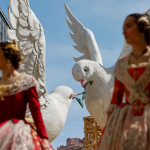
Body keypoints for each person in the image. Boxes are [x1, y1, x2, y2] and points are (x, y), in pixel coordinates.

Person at [97, 13, 150, 150]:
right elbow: (116, 98)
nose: (124, 31)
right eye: (123, 27)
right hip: (125, 120)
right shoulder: (121, 64)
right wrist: (110, 129)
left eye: (128, 26)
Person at [0, 40, 53, 149]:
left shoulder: (27, 81)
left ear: (8, 58)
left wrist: (44, 138)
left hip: (18, 133)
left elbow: (36, 111)